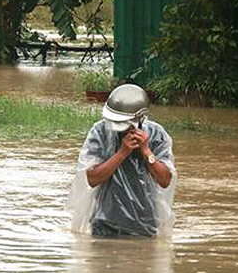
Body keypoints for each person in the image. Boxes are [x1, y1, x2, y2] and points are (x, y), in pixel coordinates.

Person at [69, 83, 176, 237]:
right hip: (104, 222)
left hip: (145, 223)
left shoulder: (157, 134)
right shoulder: (100, 131)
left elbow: (165, 180)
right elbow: (91, 178)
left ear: (140, 117)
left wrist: (146, 150)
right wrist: (122, 153)